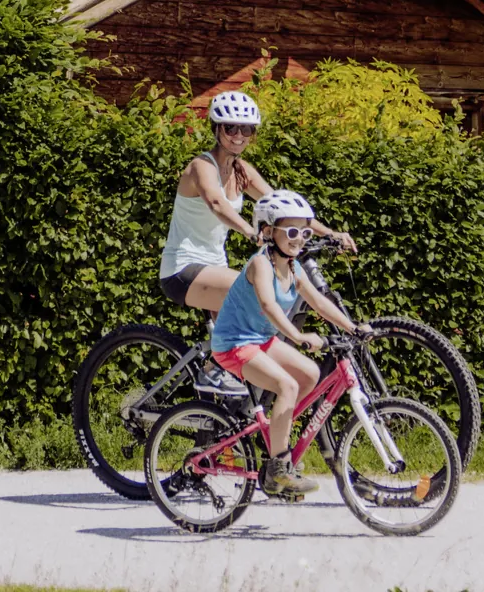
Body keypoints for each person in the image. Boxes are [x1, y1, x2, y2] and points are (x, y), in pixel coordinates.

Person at [158, 90, 352, 390]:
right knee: (253, 292)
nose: (238, 135)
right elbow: (216, 204)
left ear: (253, 134)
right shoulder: (201, 166)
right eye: (230, 127)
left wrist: (330, 234)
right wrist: (250, 231)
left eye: (246, 128)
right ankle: (213, 368)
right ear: (216, 129)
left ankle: (217, 418)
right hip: (183, 269)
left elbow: (286, 209)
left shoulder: (242, 172)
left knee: (250, 333)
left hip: (214, 268)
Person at [210, 189, 372, 498]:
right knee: (286, 386)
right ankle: (278, 469)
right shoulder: (261, 265)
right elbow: (270, 306)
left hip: (260, 340)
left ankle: (275, 437)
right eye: (293, 231)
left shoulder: (294, 267)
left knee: (310, 374)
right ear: (269, 231)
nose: (300, 239)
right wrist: (298, 337)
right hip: (233, 344)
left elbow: (320, 303)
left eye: (306, 232)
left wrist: (352, 328)